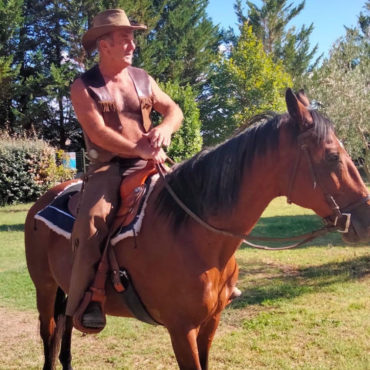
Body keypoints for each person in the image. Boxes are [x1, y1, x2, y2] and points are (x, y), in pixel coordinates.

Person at [65, 8, 183, 330]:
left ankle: (216, 280)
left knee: (195, 200)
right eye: (125, 40)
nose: (133, 46)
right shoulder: (83, 86)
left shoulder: (143, 79)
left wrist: (166, 130)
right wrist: (136, 148)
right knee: (91, 224)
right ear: (104, 45)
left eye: (132, 39)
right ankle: (86, 303)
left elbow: (173, 109)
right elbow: (98, 132)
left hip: (151, 162)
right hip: (109, 168)